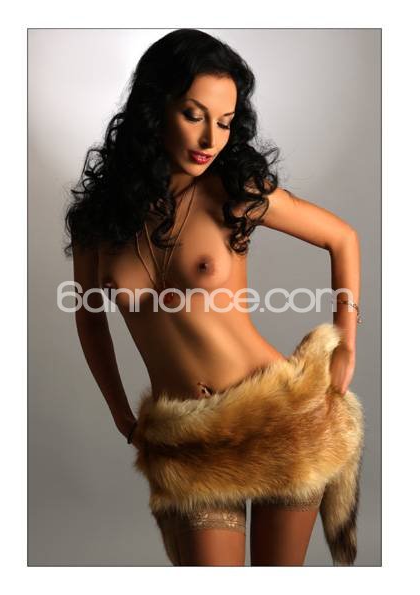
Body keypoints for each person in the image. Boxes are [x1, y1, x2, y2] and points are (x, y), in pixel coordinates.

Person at [63, 29, 363, 567]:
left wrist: (345, 344)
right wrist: (121, 414)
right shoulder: (98, 221)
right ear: (155, 110)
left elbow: (342, 238)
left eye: (224, 122)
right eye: (193, 115)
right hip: (187, 443)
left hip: (284, 418)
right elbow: (90, 320)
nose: (210, 138)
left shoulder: (234, 193)